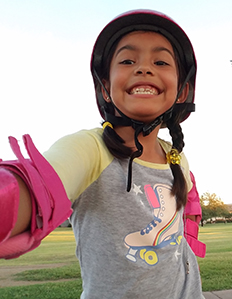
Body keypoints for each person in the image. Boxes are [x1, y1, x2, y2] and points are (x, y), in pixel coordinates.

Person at [0, 9, 205, 299]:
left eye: (160, 61)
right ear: (105, 87)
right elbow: (38, 184)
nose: (144, 69)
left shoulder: (176, 157)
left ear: (182, 91)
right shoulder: (90, 149)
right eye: (127, 60)